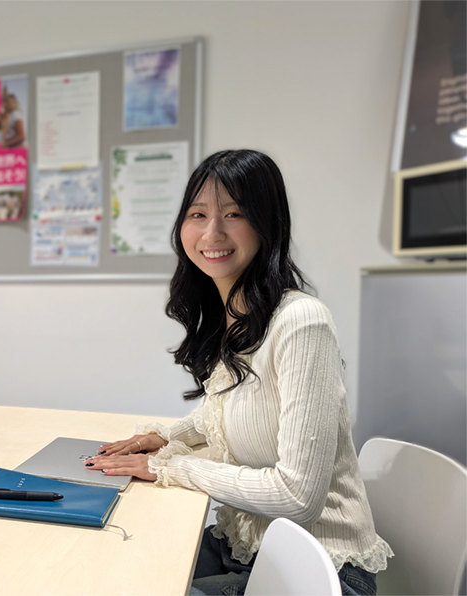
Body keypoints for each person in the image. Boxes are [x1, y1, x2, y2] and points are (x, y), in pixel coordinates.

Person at [84, 150, 393, 596]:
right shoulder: (236, 316)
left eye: (234, 214)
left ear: (268, 225)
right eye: (198, 214)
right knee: (116, 565)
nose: (213, 232)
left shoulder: (301, 321)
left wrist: (172, 467)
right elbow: (236, 411)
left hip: (323, 569)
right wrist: (165, 438)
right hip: (247, 546)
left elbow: (297, 497)